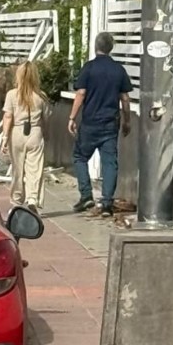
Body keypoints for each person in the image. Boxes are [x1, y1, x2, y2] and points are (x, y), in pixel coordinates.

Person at [67, 32, 133, 217]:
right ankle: (106, 203)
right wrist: (127, 121)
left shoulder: (89, 68)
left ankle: (86, 195)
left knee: (80, 157)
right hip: (111, 123)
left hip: (90, 123)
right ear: (111, 47)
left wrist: (72, 117)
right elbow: (125, 99)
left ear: (96, 46)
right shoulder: (118, 70)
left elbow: (81, 93)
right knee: (110, 162)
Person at [0, 61, 50, 213]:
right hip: (35, 132)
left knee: (17, 169)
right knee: (35, 169)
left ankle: (16, 200)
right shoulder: (41, 96)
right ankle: (32, 198)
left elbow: (8, 117)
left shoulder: (12, 95)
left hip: (17, 132)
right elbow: (46, 118)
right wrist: (46, 135)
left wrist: (4, 138)